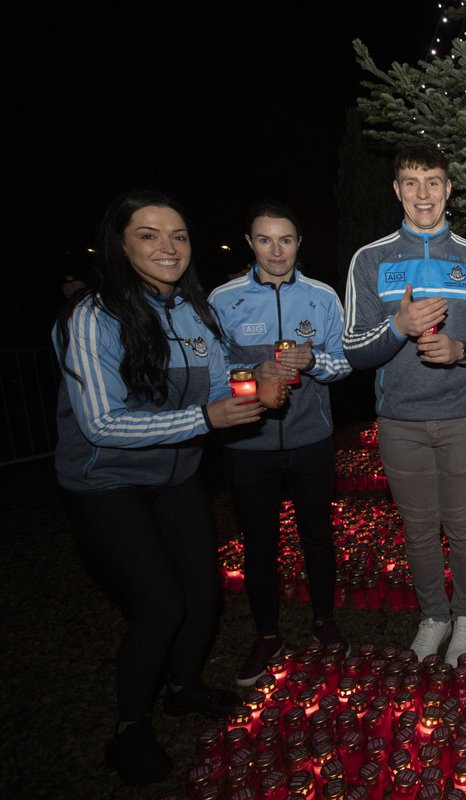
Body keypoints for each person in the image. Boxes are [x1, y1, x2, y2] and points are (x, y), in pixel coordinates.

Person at [53, 191, 286, 785]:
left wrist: (258, 376)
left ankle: (183, 688)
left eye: (178, 236)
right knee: (159, 605)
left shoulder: (192, 311)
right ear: (120, 244)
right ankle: (129, 728)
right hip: (108, 482)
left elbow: (223, 375)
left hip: (177, 475)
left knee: (203, 593)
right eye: (149, 235)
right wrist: (205, 419)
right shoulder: (94, 317)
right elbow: (101, 423)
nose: (168, 247)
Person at [343, 143, 466, 665]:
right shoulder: (371, 259)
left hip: (463, 416)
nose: (423, 194)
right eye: (411, 183)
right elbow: (353, 348)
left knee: (463, 525)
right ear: (397, 190)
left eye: (433, 181)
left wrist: (460, 351)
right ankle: (434, 616)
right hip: (400, 421)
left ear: (448, 188)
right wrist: (399, 327)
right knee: (418, 529)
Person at [208, 201, 352, 687]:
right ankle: (267, 635)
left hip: (311, 438)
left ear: (298, 243)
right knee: (259, 543)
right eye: (265, 240)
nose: (276, 250)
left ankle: (323, 621)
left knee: (318, 535)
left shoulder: (322, 296)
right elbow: (211, 374)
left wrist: (313, 363)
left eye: (285, 240)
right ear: (250, 243)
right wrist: (251, 371)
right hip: (248, 442)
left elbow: (344, 364)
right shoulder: (223, 299)